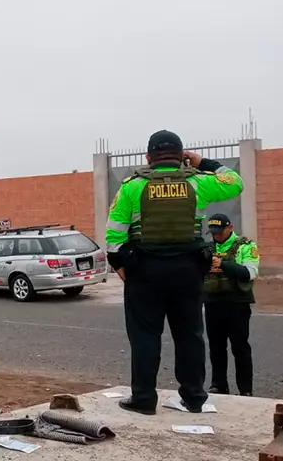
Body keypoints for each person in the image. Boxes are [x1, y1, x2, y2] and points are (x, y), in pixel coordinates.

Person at [105, 130, 244, 415]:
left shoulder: (131, 187)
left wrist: (122, 269)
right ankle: (193, 398)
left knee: (145, 337)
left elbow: (113, 236)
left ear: (148, 157)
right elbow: (235, 182)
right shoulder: (197, 182)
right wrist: (202, 161)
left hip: (144, 272)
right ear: (182, 156)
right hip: (188, 271)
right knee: (190, 335)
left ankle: (143, 399)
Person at [203, 213, 259, 397]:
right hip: (213, 302)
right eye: (213, 232)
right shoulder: (208, 247)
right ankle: (218, 385)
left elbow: (249, 273)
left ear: (230, 227)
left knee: (240, 346)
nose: (216, 236)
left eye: (220, 232)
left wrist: (223, 264)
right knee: (216, 346)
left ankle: (246, 389)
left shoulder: (246, 246)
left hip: (237, 303)